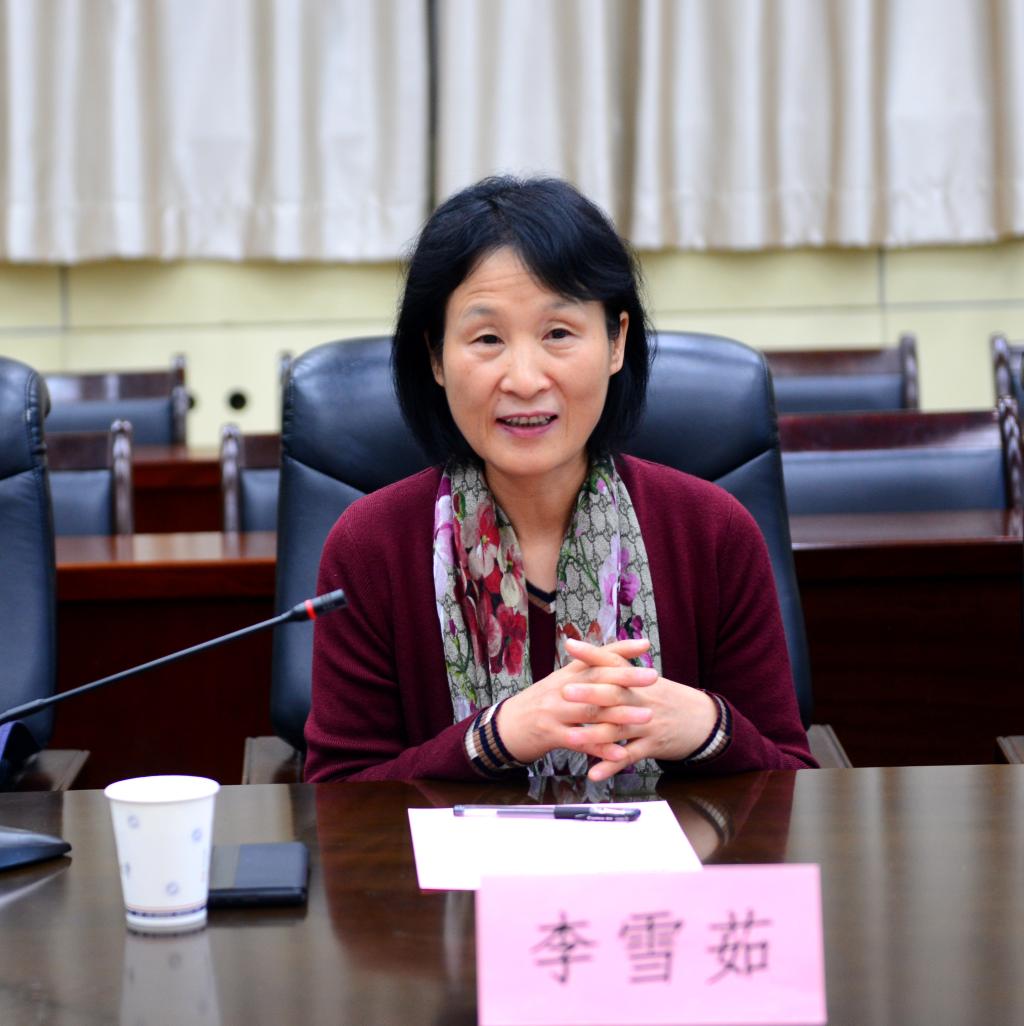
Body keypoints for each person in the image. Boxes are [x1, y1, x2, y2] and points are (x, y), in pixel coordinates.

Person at [304, 176, 815, 783]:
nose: (525, 379)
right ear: (436, 357)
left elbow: (791, 782)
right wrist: (494, 739)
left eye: (558, 334)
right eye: (487, 338)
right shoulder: (370, 546)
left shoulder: (713, 531)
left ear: (617, 342)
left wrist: (708, 726)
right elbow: (335, 799)